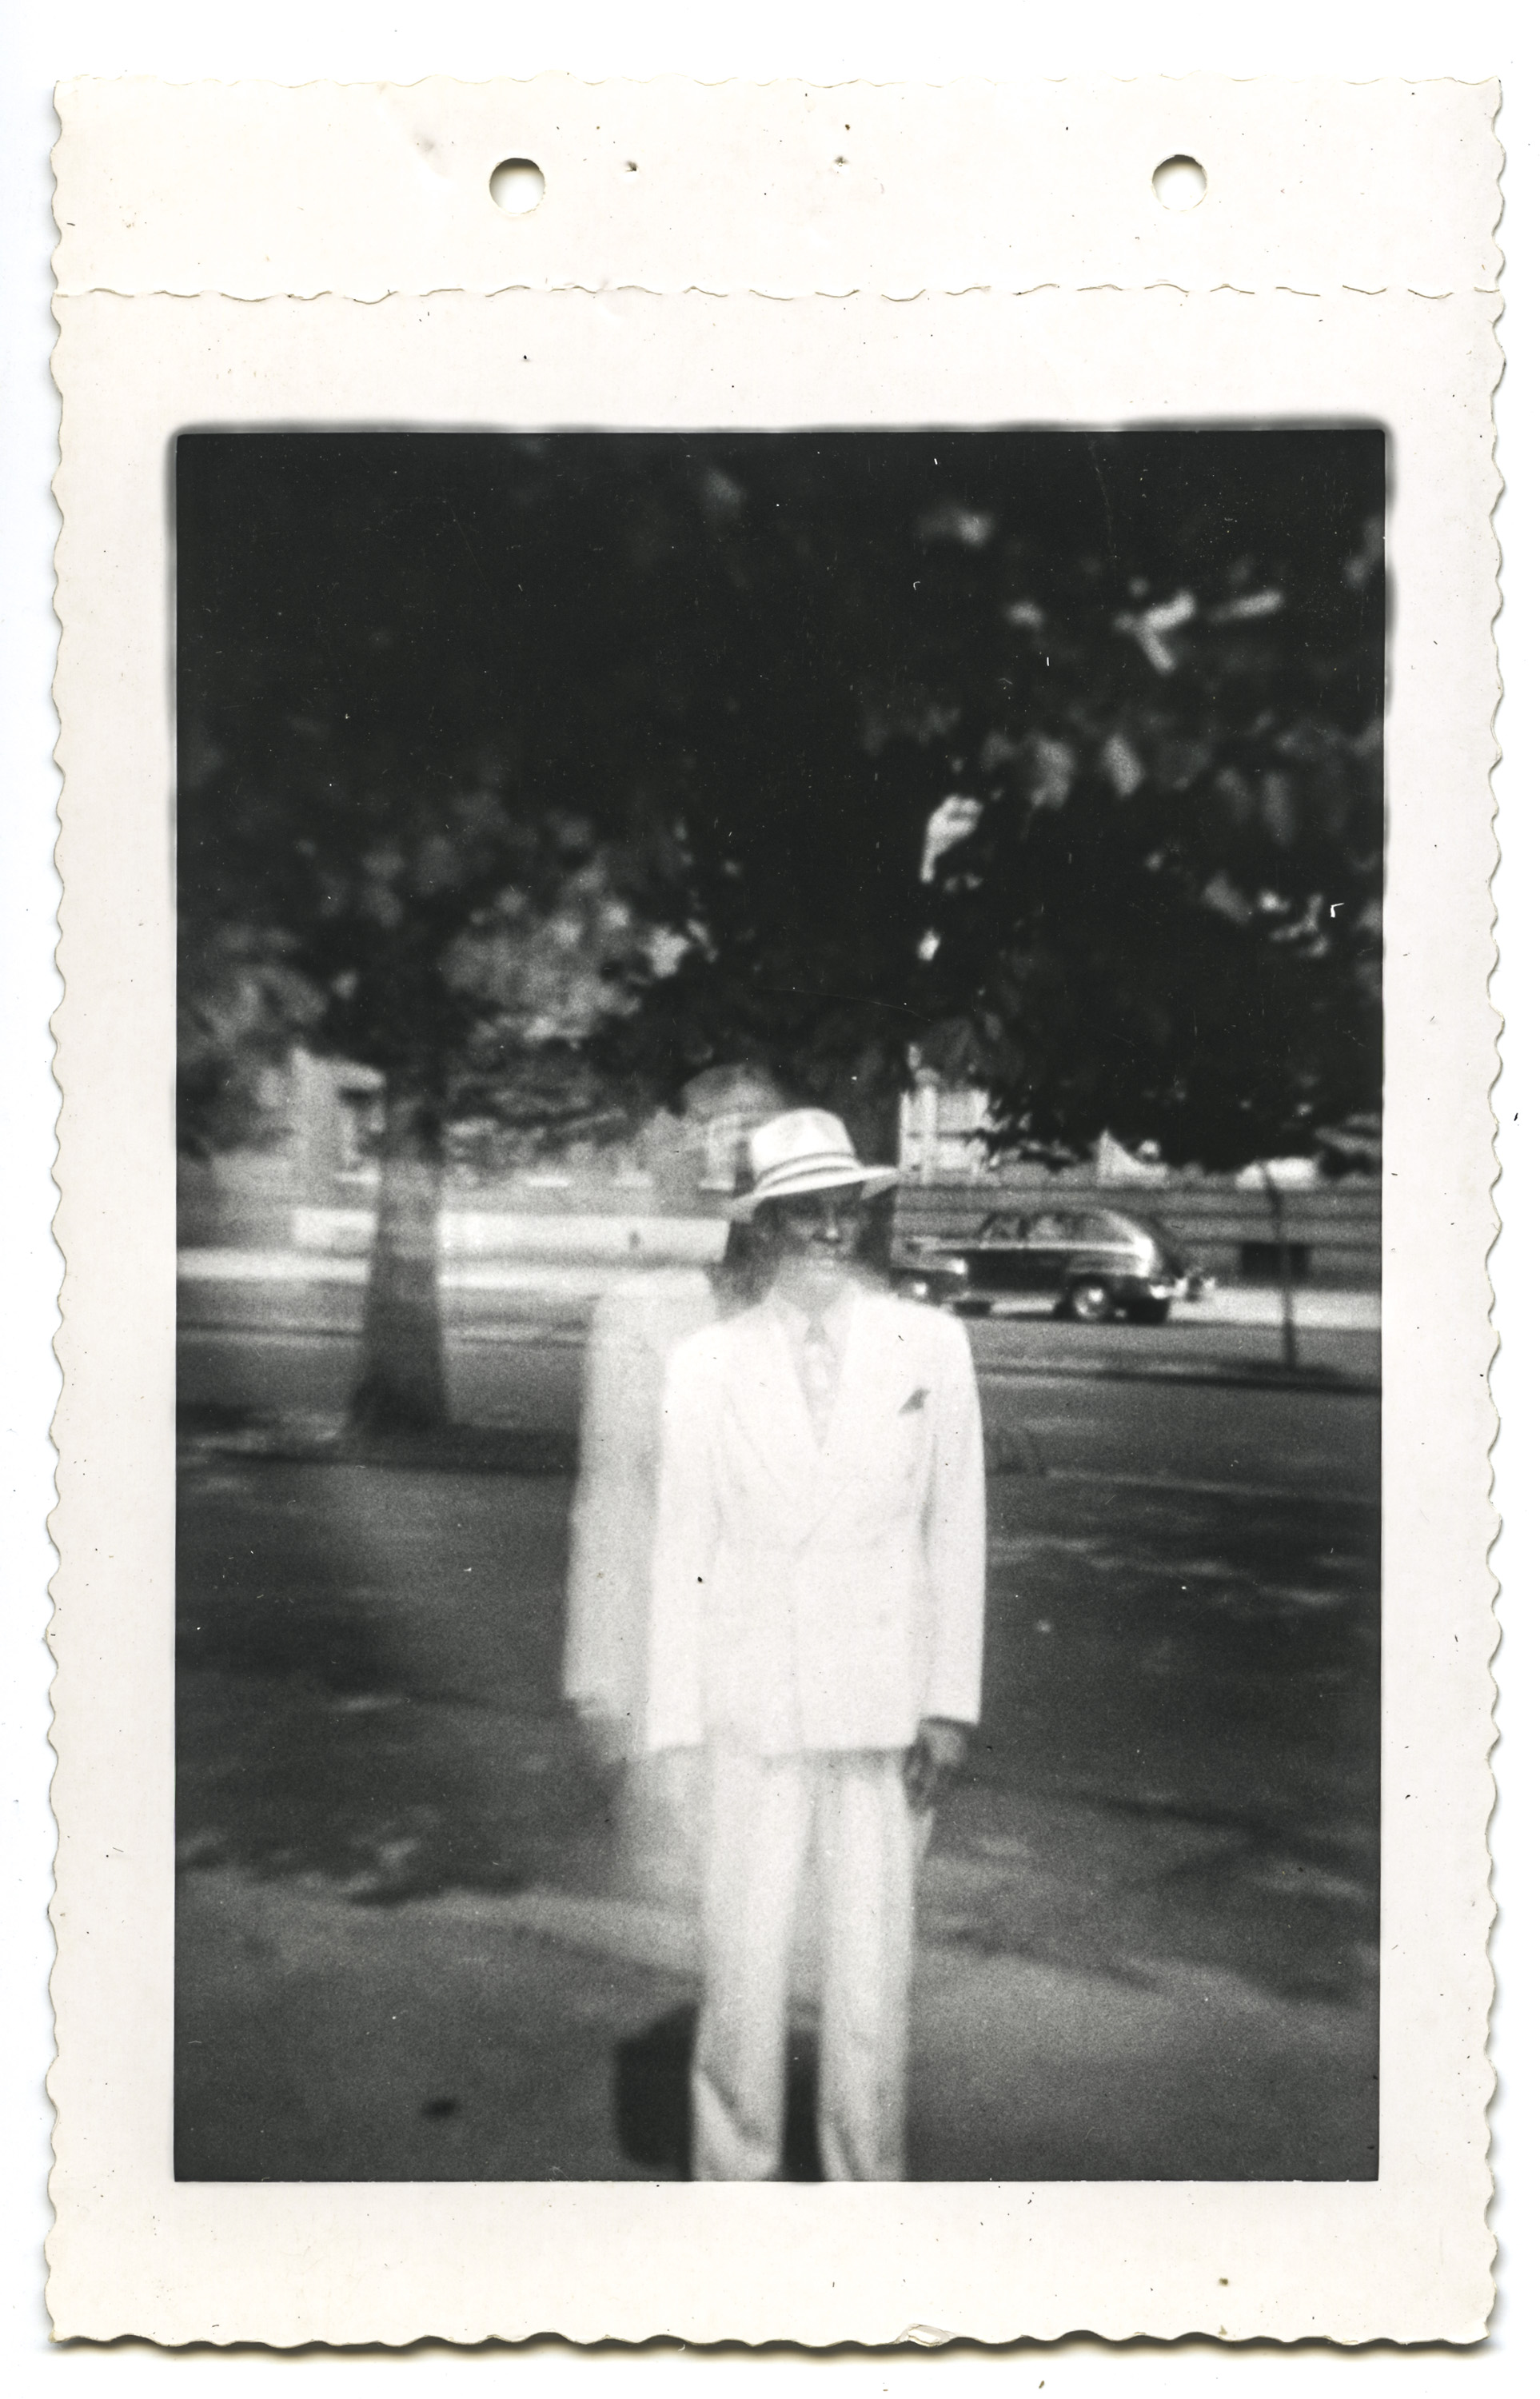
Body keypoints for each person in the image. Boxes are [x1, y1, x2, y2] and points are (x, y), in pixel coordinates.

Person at [645, 1108, 987, 2181]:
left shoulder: (931, 1345)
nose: (830, 1227)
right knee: (743, 1967)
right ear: (763, 1225)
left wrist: (948, 1702)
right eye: (805, 1209)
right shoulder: (705, 1364)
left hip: (881, 1708)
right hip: (749, 1708)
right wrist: (673, 1728)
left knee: (869, 1977)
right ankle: (731, 2186)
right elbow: (678, 1554)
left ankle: (861, 2194)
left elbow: (957, 1529)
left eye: (845, 1205)